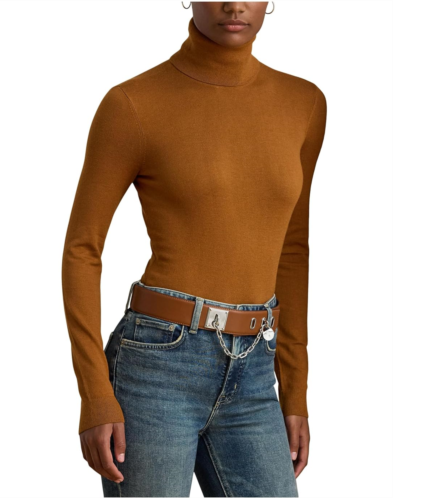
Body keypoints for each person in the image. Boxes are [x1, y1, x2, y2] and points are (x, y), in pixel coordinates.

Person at [62, 2, 327, 496]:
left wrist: (295, 390)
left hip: (255, 371)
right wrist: (94, 391)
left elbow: (293, 249)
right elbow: (82, 248)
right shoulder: (133, 104)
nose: (234, 5)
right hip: (157, 367)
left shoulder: (304, 104)